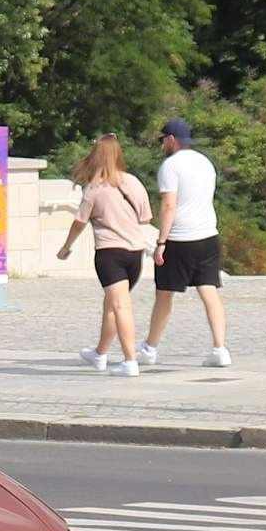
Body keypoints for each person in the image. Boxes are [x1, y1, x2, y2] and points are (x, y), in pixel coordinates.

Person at [54, 135, 154, 376]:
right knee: (112, 304)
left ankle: (130, 361)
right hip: (135, 253)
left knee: (120, 306)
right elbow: (146, 218)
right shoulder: (134, 182)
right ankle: (99, 353)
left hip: (110, 253)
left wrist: (67, 246)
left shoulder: (94, 188)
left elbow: (80, 221)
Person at [144, 118, 231, 367]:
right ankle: (220, 347)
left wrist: (161, 241)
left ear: (171, 139)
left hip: (180, 237)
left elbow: (169, 205)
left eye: (163, 140)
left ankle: (150, 347)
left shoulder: (170, 167)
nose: (162, 145)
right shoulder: (205, 163)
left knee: (164, 295)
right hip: (207, 235)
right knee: (209, 291)